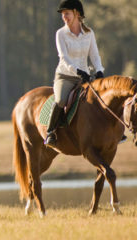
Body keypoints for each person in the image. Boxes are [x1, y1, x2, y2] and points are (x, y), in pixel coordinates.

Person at [44, 0, 104, 147]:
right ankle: (50, 132)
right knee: (60, 101)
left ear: (77, 13)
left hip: (85, 76)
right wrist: (77, 71)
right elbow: (63, 58)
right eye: (63, 14)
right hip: (65, 76)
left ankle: (113, 132)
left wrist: (100, 70)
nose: (64, 17)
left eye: (67, 13)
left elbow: (95, 56)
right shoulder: (60, 34)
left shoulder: (89, 33)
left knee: (103, 98)